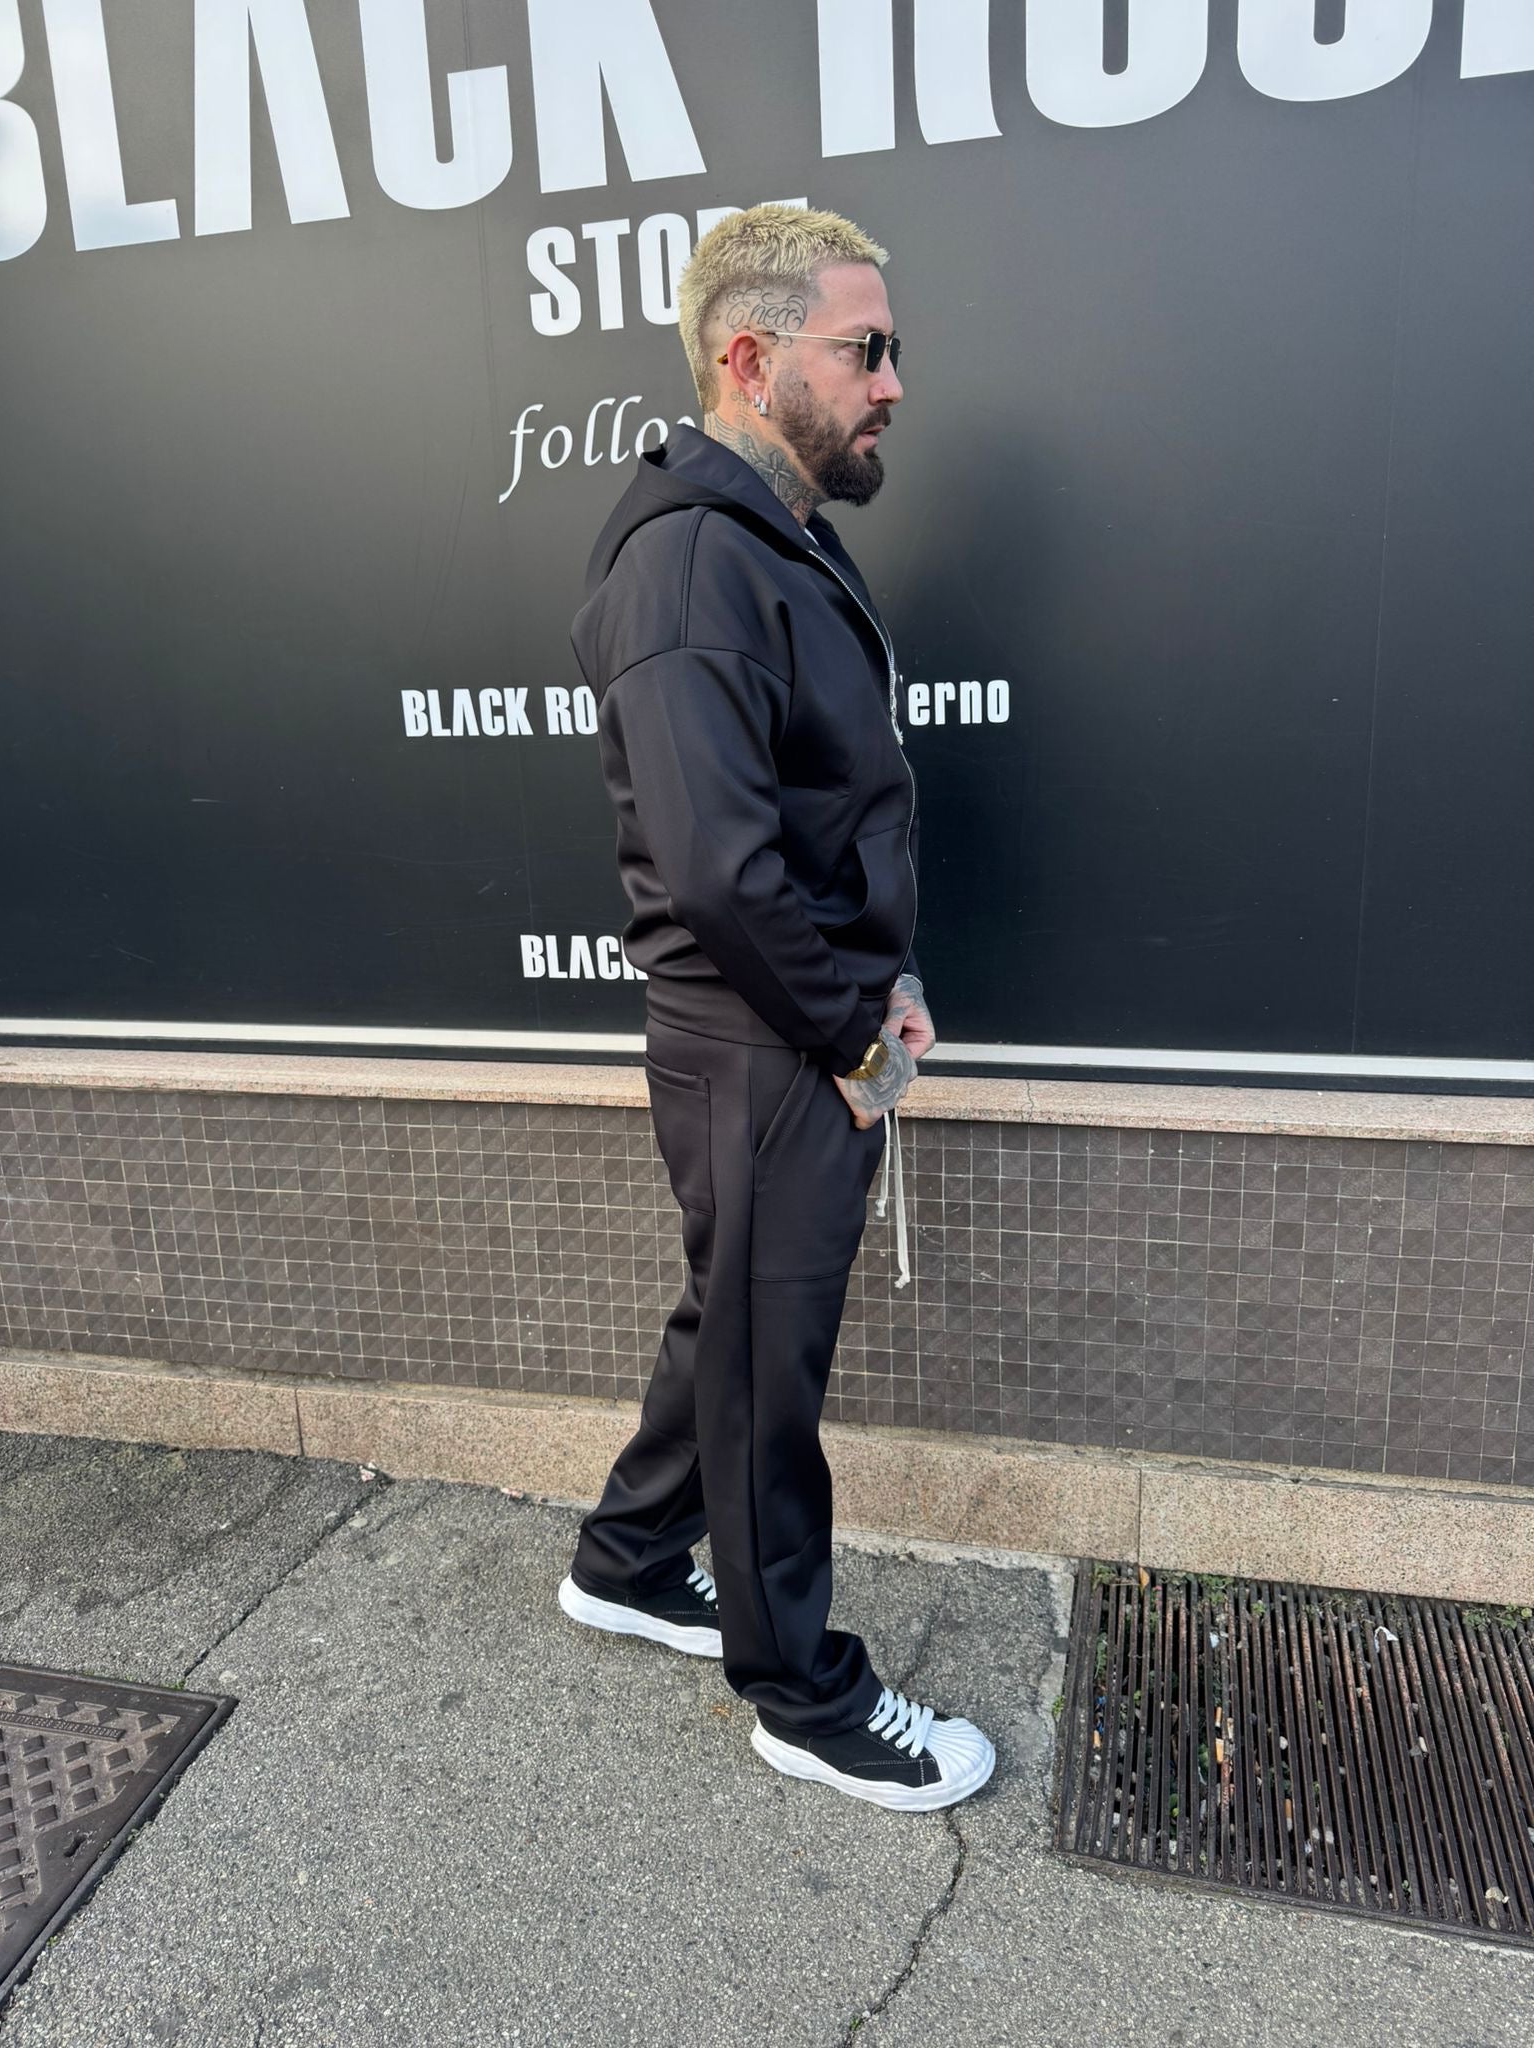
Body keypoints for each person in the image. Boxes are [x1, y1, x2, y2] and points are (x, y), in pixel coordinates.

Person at [555, 204, 995, 1812]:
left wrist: (884, 980)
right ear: (751, 358)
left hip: (792, 1024)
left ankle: (626, 1558)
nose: (893, 383)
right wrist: (852, 1029)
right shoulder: (692, 561)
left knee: (728, 1325)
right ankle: (802, 1693)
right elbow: (723, 874)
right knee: (763, 1375)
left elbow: (814, 819)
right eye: (864, 349)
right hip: (761, 1046)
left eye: (892, 350)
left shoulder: (770, 539)